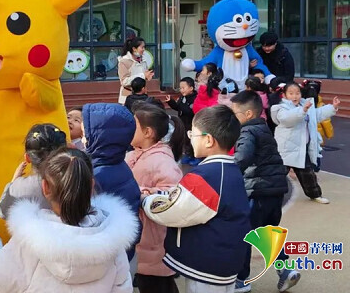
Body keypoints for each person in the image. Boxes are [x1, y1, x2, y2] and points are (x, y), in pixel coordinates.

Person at [0, 148, 138, 293]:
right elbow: (122, 288)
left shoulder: (30, 240)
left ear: (45, 187)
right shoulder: (113, 239)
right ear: (91, 185)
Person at [141, 106, 251, 293]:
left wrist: (146, 200)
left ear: (208, 140)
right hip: (225, 258)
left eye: (193, 133)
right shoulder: (229, 169)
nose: (190, 138)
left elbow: (173, 212)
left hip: (208, 265)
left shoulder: (206, 176)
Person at [229, 92, 297, 293]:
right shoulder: (264, 129)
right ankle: (285, 270)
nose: (233, 118)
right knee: (267, 232)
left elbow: (242, 157)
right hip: (275, 189)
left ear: (248, 114)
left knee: (244, 234)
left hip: (258, 190)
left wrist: (226, 171)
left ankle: (241, 280)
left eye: (235, 114)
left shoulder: (247, 131)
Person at [126, 103, 184, 293]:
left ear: (148, 132)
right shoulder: (136, 154)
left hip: (155, 240)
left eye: (133, 125)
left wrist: (140, 193)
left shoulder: (161, 160)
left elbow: (172, 196)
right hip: (143, 239)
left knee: (157, 285)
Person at [82, 103, 141, 261]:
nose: (83, 139)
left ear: (100, 139)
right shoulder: (115, 164)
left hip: (107, 256)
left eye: (86, 135)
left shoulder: (98, 175)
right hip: (120, 252)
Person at [271, 82, 340, 204]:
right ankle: (271, 196)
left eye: (297, 93)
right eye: (291, 93)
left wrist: (332, 107)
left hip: (302, 148)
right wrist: (302, 110)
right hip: (285, 149)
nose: (295, 96)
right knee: (278, 175)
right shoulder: (280, 108)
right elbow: (287, 119)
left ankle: (315, 195)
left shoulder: (306, 105)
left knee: (308, 175)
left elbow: (317, 114)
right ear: (284, 95)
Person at [0, 123, 67, 219]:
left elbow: (2, 211)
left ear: (27, 157)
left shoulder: (19, 187)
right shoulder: (77, 178)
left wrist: (13, 183)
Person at [166, 77, 198, 165]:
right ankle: (188, 155)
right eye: (180, 88)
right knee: (185, 140)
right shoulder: (182, 98)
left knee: (193, 140)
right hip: (183, 123)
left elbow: (189, 111)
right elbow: (178, 107)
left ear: (191, 88)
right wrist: (171, 102)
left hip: (192, 123)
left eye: (183, 88)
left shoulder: (195, 98)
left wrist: (182, 106)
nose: (181, 90)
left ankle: (195, 156)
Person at [118, 37, 154, 104]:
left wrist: (148, 76)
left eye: (144, 47)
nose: (144, 49)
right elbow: (124, 81)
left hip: (142, 97)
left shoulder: (143, 61)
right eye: (142, 47)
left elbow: (143, 77)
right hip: (128, 98)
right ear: (134, 49)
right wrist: (143, 75)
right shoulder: (124, 61)